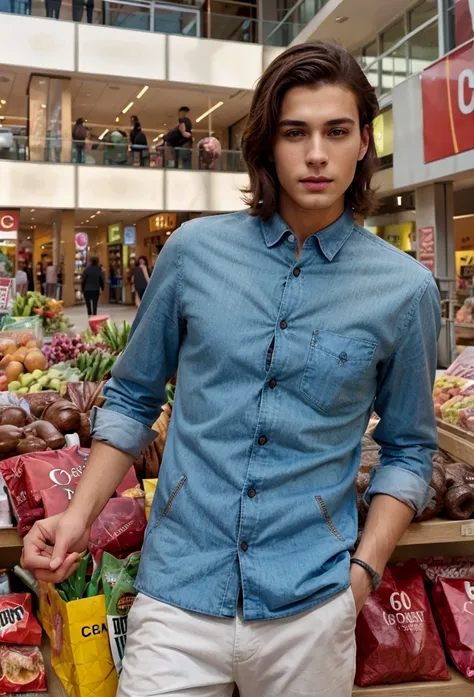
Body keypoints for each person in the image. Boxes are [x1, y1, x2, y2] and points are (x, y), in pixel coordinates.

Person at [22, 42, 441, 697]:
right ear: (266, 144)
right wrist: (76, 517)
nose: (315, 153)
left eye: (337, 131)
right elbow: (132, 398)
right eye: (294, 131)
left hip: (311, 603)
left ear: (364, 142)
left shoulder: (402, 289)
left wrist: (361, 573)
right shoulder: (193, 253)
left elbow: (410, 449)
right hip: (179, 594)